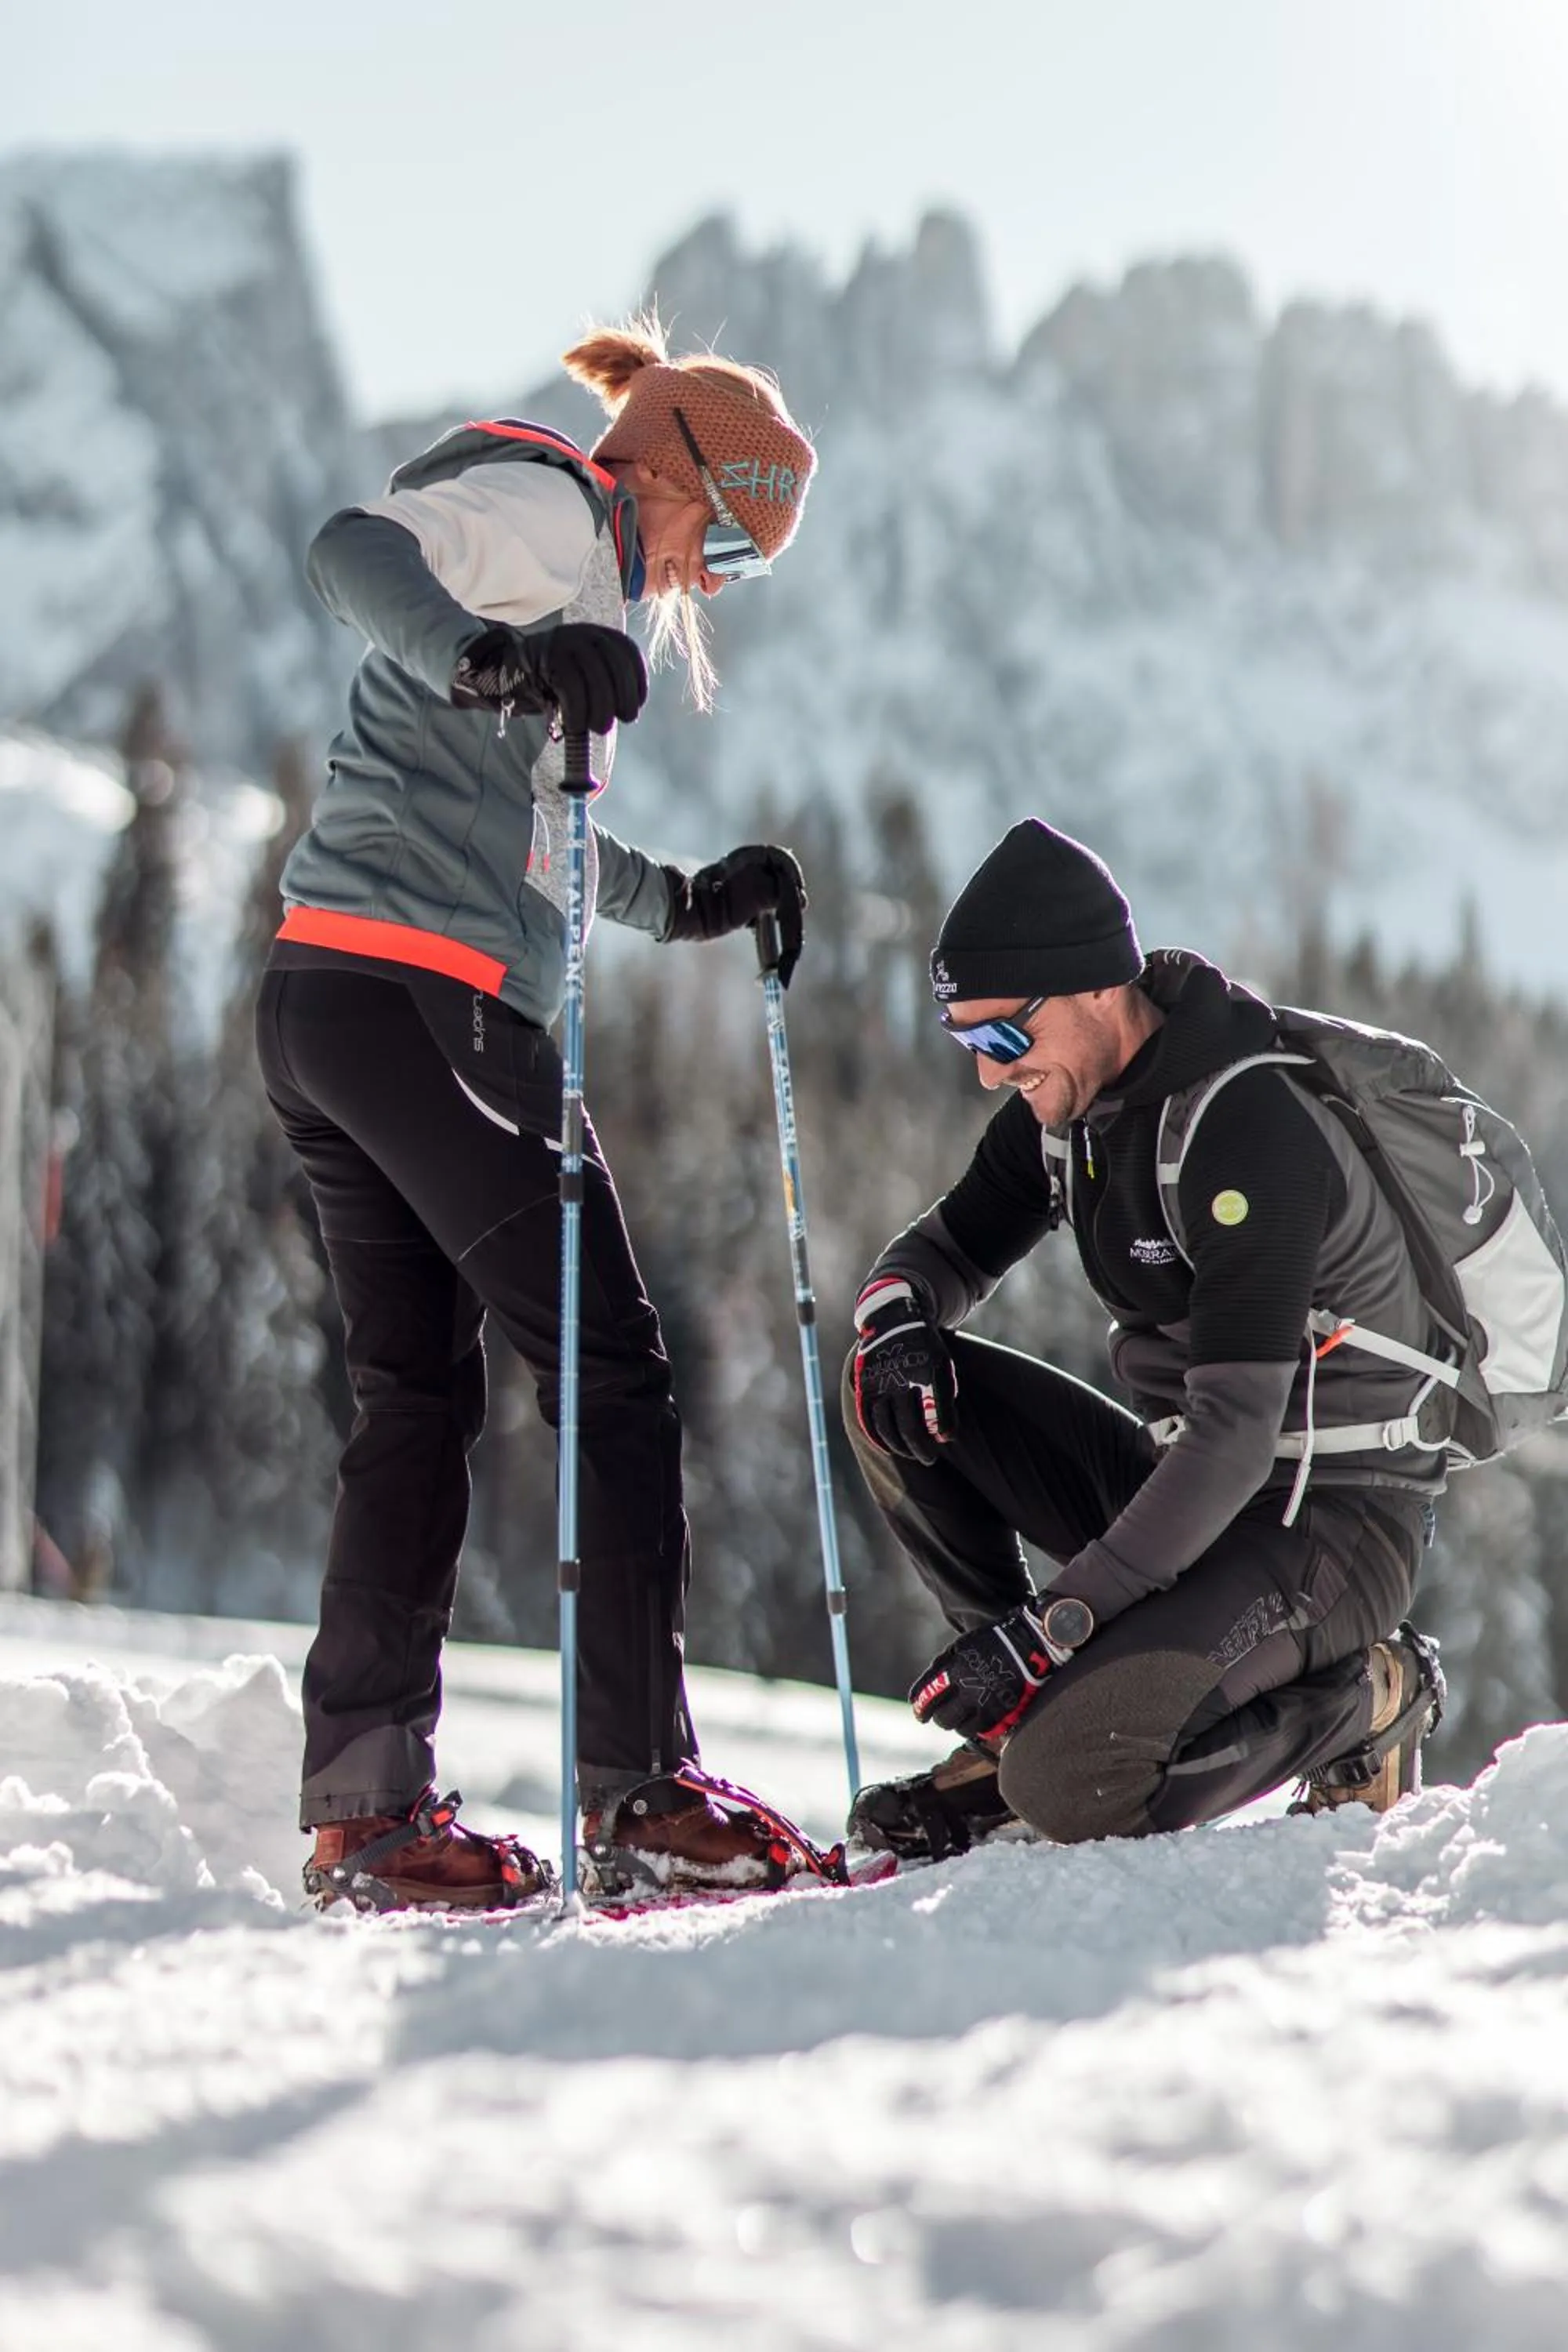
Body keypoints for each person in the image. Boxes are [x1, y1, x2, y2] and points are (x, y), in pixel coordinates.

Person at [256, 314, 818, 1910]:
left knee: (420, 1401)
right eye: (729, 545)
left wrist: (687, 901)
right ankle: (640, 1792)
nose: (712, 584)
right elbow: (345, 550)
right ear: (670, 474)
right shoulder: (550, 505)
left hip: (338, 1001)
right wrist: (488, 657)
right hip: (420, 1004)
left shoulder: (582, 583)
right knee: (614, 1363)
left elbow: (536, 843)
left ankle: (368, 1817)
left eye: (744, 574)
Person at [844, 818, 1446, 1864]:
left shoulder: (1243, 1125)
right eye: (968, 1046)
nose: (991, 1074)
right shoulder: (1074, 1112)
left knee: (1076, 1785)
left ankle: (1371, 1697)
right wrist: (898, 1314)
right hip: (1189, 1491)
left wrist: (1055, 1628)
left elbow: (1236, 1437)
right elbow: (946, 1246)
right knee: (888, 1387)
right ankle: (1011, 1731)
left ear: (1091, 990)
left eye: (1002, 1040)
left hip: (1326, 1525)